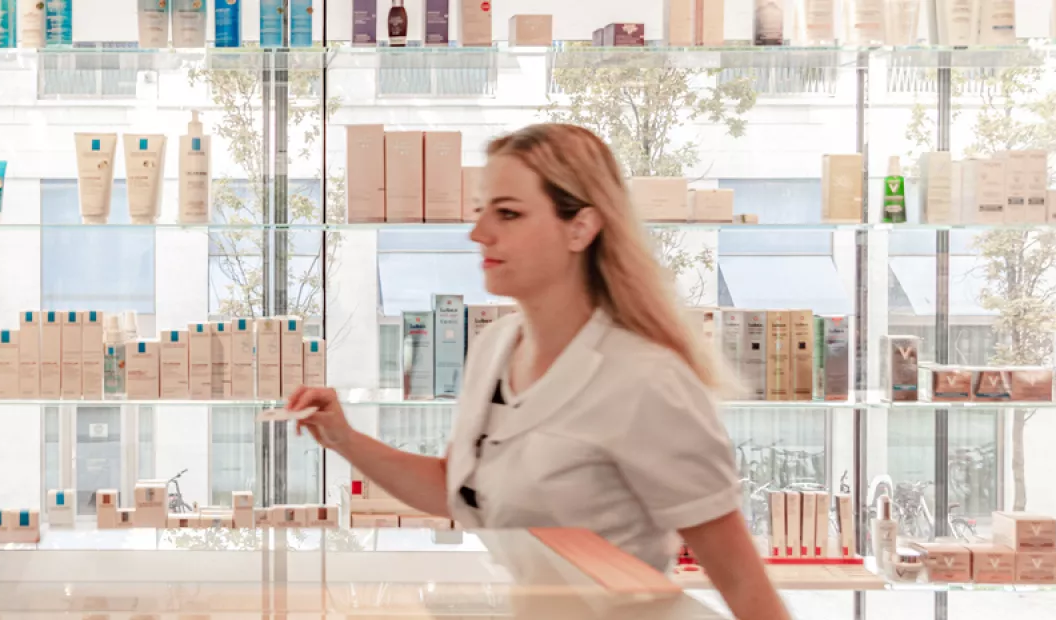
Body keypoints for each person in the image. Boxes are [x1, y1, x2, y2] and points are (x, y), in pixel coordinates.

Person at [288, 124, 787, 619]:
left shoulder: (645, 380)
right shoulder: (495, 347)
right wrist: (344, 438)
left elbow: (743, 583)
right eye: (480, 210)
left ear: (581, 227)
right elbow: (456, 489)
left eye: (508, 213)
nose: (478, 232)